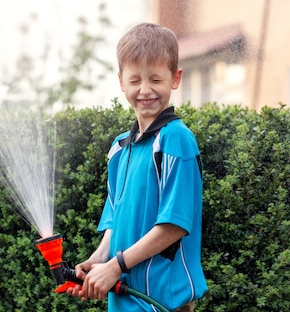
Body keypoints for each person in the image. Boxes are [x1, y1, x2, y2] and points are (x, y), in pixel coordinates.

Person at [67, 23, 208, 311]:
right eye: (135, 80)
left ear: (175, 78)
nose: (145, 90)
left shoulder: (175, 140)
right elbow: (114, 222)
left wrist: (116, 266)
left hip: (160, 303)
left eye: (156, 79)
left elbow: (173, 226)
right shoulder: (121, 149)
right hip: (125, 302)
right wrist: (98, 261)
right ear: (121, 81)